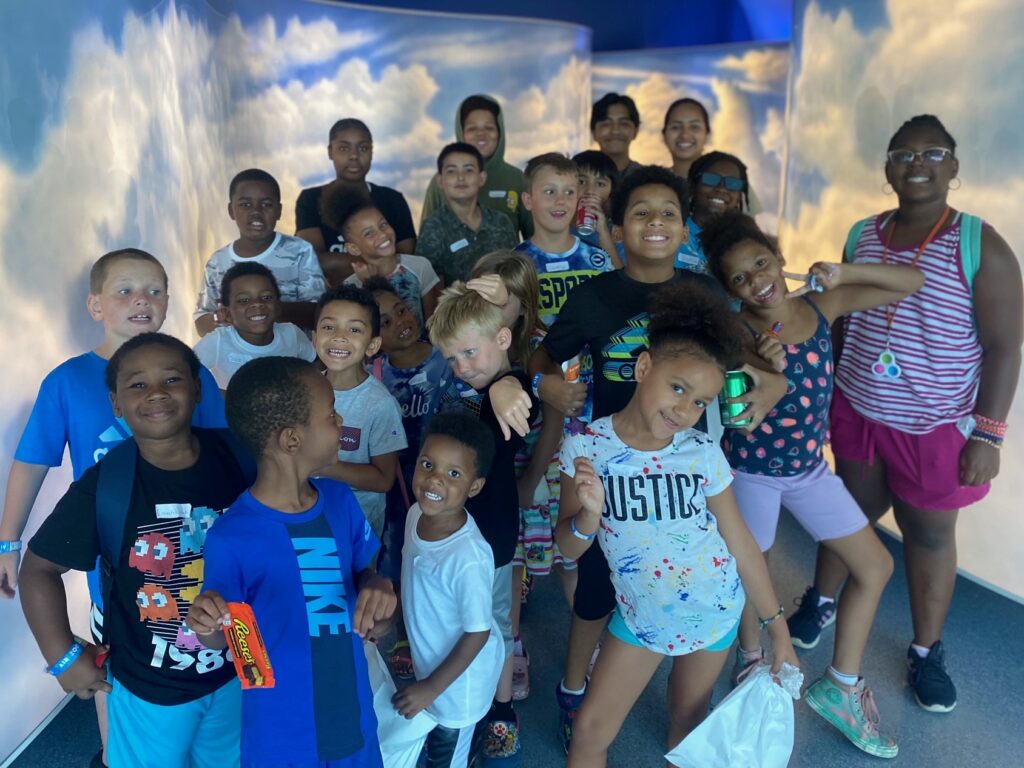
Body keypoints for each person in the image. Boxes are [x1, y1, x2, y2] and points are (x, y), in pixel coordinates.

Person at [528, 165, 788, 752]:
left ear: (685, 226)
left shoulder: (705, 293)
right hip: (612, 464)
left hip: (685, 464)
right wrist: (546, 386)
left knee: (696, 559)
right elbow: (543, 360)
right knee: (595, 587)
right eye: (640, 212)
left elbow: (748, 364)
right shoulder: (595, 296)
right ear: (616, 226)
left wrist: (774, 379)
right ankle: (575, 687)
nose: (655, 222)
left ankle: (702, 658)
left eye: (668, 212)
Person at [796, 114, 1023, 714]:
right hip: (858, 411)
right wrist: (821, 401)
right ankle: (818, 602)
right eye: (902, 154)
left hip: (933, 426)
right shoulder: (862, 234)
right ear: (887, 168)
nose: (916, 164)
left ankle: (926, 650)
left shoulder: (980, 243)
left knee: (927, 535)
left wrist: (989, 436)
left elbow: (1005, 346)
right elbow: (840, 321)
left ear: (954, 167)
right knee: (845, 515)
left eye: (932, 153)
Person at [704, 211, 927, 758]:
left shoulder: (818, 306)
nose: (757, 280)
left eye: (762, 262)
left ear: (781, 258)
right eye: (740, 277)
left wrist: (845, 272)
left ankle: (843, 686)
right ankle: (751, 661)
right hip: (751, 474)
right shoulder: (735, 330)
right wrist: (760, 362)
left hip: (807, 473)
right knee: (749, 579)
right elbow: (738, 414)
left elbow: (913, 282)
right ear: (728, 289)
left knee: (875, 567)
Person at [0, 248, 226, 768]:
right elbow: (31, 461)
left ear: (168, 301)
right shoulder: (67, 380)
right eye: (125, 291)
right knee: (118, 677)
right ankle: (116, 754)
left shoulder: (194, 376)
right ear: (96, 305)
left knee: (207, 662)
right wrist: (9, 539)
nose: (141, 301)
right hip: (118, 569)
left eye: (153, 290)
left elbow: (225, 465)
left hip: (198, 561)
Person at [557, 281, 799, 766]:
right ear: (644, 367)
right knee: (588, 735)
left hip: (715, 613)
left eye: (700, 402)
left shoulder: (702, 453)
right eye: (678, 388)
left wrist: (778, 633)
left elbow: (741, 545)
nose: (684, 410)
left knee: (686, 728)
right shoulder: (586, 447)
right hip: (639, 618)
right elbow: (568, 548)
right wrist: (588, 515)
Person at [188, 356, 397, 767]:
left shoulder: (339, 500)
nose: (340, 423)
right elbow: (223, 635)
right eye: (330, 415)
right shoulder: (232, 537)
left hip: (352, 722)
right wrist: (205, 623)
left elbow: (370, 600)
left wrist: (378, 588)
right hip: (280, 736)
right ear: (291, 440)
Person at [429, 283, 539, 762]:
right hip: (452, 530)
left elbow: (519, 390)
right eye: (452, 358)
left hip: (489, 539)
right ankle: (458, 698)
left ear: (502, 340)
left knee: (492, 627)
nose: (462, 367)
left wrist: (505, 384)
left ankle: (499, 708)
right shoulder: (468, 385)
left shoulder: (508, 391)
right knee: (457, 619)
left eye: (470, 353)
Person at [468, 252, 576, 703]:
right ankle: (512, 651)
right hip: (492, 470)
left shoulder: (538, 347)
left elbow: (553, 421)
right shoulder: (472, 338)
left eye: (503, 299)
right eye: (483, 296)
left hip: (533, 464)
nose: (493, 307)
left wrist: (531, 479)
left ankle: (591, 643)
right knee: (508, 565)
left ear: (523, 302)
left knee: (566, 561)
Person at [394, 411, 504, 767]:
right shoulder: (415, 516)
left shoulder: (468, 557)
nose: (434, 480)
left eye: (453, 474)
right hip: (434, 665)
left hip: (459, 688)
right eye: (428, 464)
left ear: (474, 486)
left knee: (447, 754)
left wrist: (431, 688)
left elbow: (478, 633)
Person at [313, 285, 407, 539]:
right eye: (329, 327)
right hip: (308, 519)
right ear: (314, 337)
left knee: (357, 579)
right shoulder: (304, 391)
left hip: (356, 526)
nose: (339, 337)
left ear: (373, 344)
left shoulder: (380, 404)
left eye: (354, 329)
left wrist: (323, 466)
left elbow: (383, 479)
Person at [195, 169, 326, 335]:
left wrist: (267, 310)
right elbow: (201, 321)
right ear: (231, 210)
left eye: (266, 204)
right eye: (246, 205)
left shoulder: (300, 251)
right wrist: (222, 317)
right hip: (238, 360)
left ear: (279, 211)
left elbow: (320, 312)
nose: (256, 212)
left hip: (291, 357)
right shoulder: (217, 262)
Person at [295, 118, 417, 285]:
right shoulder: (311, 199)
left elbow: (406, 261)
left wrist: (344, 263)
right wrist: (379, 261)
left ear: (372, 152)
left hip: (390, 295)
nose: (354, 156)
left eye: (363, 148)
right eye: (344, 148)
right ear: (330, 151)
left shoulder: (392, 199)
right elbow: (313, 261)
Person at [321, 185, 442, 328]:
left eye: (383, 225)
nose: (382, 234)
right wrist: (370, 285)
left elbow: (433, 326)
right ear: (353, 248)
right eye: (369, 233)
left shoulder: (420, 266)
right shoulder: (352, 287)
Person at [516, 153, 613, 328]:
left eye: (569, 192)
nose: (560, 200)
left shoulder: (598, 259)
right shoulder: (515, 263)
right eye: (549, 192)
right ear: (528, 200)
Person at [420, 95, 533, 239]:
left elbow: (534, 239)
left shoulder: (517, 179)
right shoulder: (441, 183)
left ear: (500, 132)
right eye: (472, 129)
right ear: (461, 132)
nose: (481, 135)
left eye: (489, 127)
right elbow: (426, 241)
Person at [194, 262, 316, 391]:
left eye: (266, 297)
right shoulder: (218, 341)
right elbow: (184, 373)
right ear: (227, 311)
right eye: (244, 300)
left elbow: (314, 364)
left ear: (278, 305)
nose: (257, 304)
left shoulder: (291, 334)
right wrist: (220, 397)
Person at [416, 142, 518, 285]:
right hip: (454, 307)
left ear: (482, 178)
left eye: (468, 170)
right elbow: (427, 286)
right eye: (451, 171)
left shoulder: (501, 222)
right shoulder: (433, 227)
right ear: (440, 180)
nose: (461, 177)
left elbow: (516, 274)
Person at [677, 151, 753, 273]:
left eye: (733, 183)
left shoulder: (747, 241)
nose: (722, 188)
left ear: (739, 196)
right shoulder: (672, 229)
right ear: (693, 186)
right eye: (711, 179)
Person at [570, 150, 621, 267]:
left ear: (611, 191)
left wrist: (603, 233)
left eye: (600, 184)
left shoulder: (617, 234)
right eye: (581, 181)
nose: (590, 191)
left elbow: (620, 279)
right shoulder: (558, 228)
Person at [590, 93, 641, 183]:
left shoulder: (646, 178)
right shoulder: (578, 178)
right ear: (593, 132)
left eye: (624, 123)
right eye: (606, 124)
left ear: (635, 131)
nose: (615, 131)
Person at [661, 98, 711, 180]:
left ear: (707, 135)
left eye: (694, 127)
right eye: (676, 127)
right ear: (664, 136)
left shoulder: (721, 185)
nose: (685, 135)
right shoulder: (654, 183)